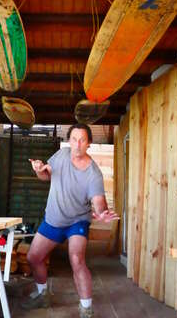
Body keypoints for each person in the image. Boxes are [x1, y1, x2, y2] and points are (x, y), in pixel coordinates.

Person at [21, 123, 119, 318]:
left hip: (77, 221)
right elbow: (46, 176)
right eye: (74, 139)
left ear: (89, 143)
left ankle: (86, 309)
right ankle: (43, 295)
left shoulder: (94, 173)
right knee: (33, 257)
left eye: (82, 140)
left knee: (77, 259)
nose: (77, 144)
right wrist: (39, 169)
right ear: (69, 141)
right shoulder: (62, 155)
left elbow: (99, 201)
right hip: (54, 219)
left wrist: (101, 212)